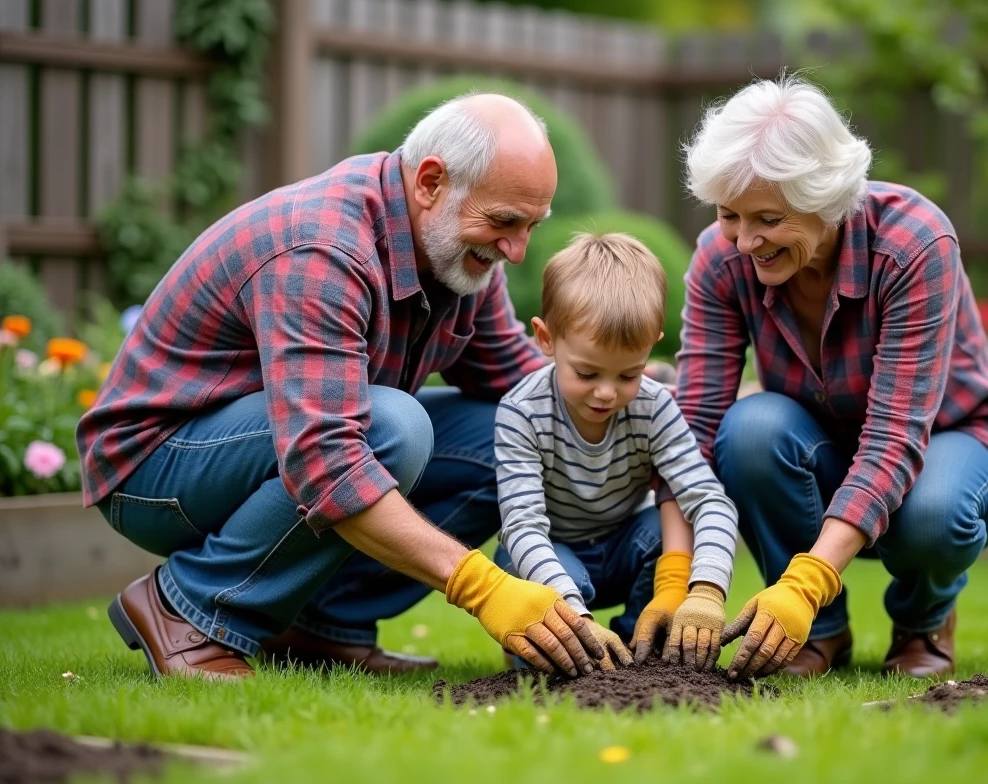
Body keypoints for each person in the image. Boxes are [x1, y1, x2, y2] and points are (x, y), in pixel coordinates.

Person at [76, 93, 607, 680]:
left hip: (280, 448)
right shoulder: (323, 248)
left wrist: (643, 417)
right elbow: (326, 458)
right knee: (390, 428)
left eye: (532, 225)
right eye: (505, 221)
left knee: (508, 435)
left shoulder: (460, 252)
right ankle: (188, 607)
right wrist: (483, 587)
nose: (517, 249)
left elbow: (520, 389)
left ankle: (320, 626)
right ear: (431, 182)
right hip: (155, 468)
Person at [673, 75, 988, 680]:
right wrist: (681, 580)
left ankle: (923, 622)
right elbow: (695, 427)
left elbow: (893, 437)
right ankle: (819, 635)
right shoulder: (721, 256)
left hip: (956, 439)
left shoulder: (913, 244)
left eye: (767, 218)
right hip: (828, 445)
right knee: (750, 431)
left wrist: (806, 581)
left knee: (932, 514)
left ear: (827, 197)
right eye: (729, 214)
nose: (745, 240)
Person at [493, 233, 739, 672]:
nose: (607, 392)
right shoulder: (521, 412)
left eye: (629, 374)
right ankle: (569, 653)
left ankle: (638, 650)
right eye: (586, 373)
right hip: (554, 548)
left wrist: (704, 589)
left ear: (651, 345)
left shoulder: (655, 405)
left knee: (661, 532)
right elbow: (523, 525)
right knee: (517, 563)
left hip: (624, 545)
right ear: (546, 339)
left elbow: (709, 500)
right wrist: (574, 616)